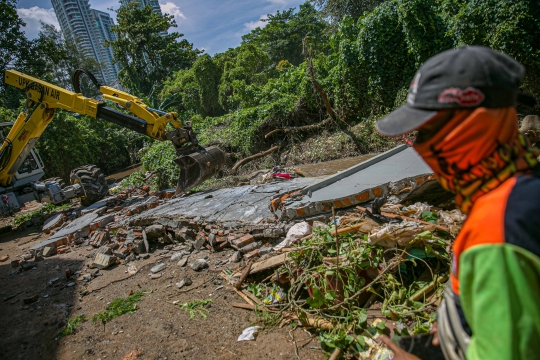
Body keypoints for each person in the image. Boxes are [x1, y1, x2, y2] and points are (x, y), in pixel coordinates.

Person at [374, 46, 540, 360]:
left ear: (469, 129)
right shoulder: (524, 182)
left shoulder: (497, 227)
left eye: (427, 134)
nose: (421, 150)